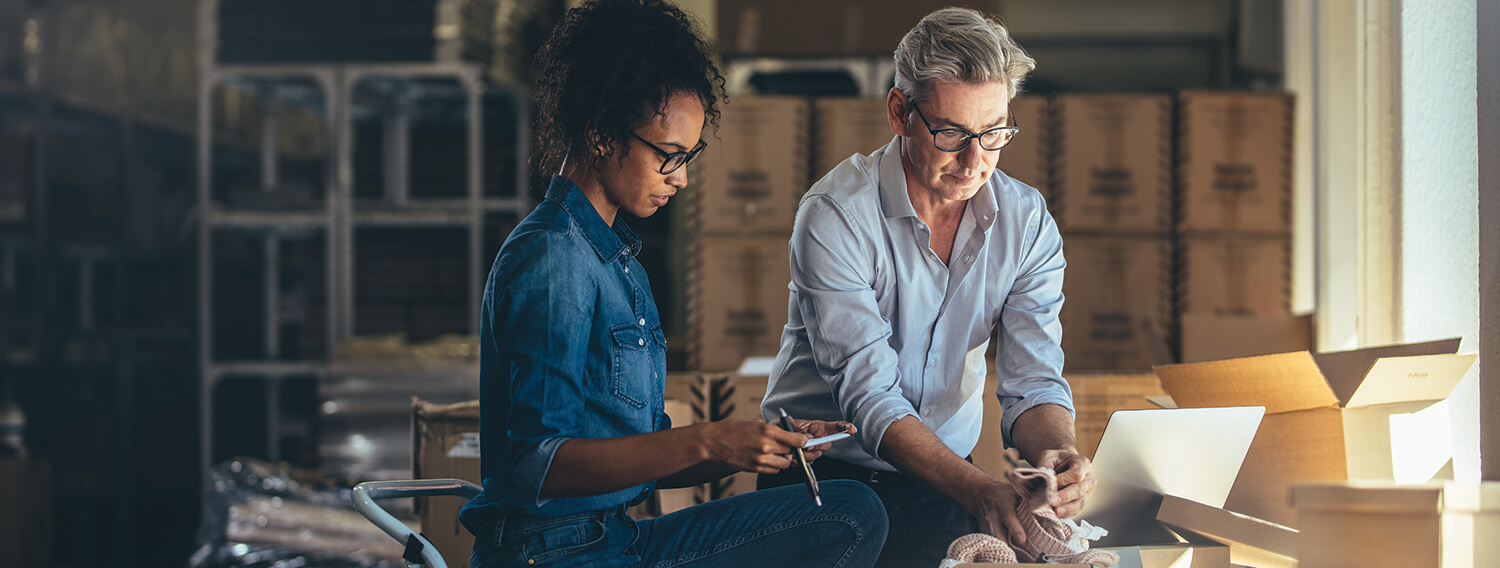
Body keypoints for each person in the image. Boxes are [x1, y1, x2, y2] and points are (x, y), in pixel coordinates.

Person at [458, 1, 888, 567]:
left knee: (849, 511)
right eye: (668, 156)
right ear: (601, 136)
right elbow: (542, 464)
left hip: (616, 537)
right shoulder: (553, 257)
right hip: (555, 553)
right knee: (850, 517)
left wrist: (754, 444)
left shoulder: (618, 260)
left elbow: (649, 455)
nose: (681, 178)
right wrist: (709, 440)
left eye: (689, 157)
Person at [758, 7, 1095, 567]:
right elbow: (868, 396)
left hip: (943, 478)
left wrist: (1057, 454)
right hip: (819, 476)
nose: (974, 161)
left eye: (993, 134)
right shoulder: (836, 215)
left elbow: (1033, 380)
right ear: (899, 112)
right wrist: (979, 489)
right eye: (951, 133)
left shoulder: (1026, 222)